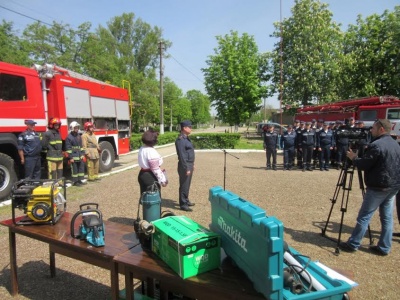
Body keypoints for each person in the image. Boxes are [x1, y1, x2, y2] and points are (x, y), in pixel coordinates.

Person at [339, 119, 400, 256]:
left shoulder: (376, 145)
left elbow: (363, 165)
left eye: (373, 128)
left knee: (364, 216)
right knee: (387, 217)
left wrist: (353, 158)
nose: (371, 131)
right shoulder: (395, 144)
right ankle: (384, 247)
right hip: (393, 186)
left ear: (381, 129)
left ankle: (353, 243)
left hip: (379, 186)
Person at [138, 130, 168, 195]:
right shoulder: (151, 151)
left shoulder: (142, 148)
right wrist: (163, 180)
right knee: (154, 199)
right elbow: (155, 168)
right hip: (150, 176)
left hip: (142, 174)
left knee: (145, 198)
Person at [175, 120, 195, 212]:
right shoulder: (181, 140)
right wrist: (186, 167)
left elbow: (189, 153)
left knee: (187, 184)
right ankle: (183, 204)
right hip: (184, 166)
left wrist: (192, 164)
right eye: (189, 127)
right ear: (184, 128)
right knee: (184, 185)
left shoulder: (186, 138)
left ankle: (186, 200)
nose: (191, 128)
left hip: (189, 164)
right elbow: (182, 156)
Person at [65, 121, 86, 186]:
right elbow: (68, 149)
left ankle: (79, 180)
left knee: (80, 169)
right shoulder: (69, 137)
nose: (77, 129)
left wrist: (82, 154)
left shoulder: (79, 136)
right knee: (75, 170)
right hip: (73, 156)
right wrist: (70, 158)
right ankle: (75, 181)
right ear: (72, 128)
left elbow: (81, 147)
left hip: (79, 156)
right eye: (75, 128)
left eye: (77, 128)